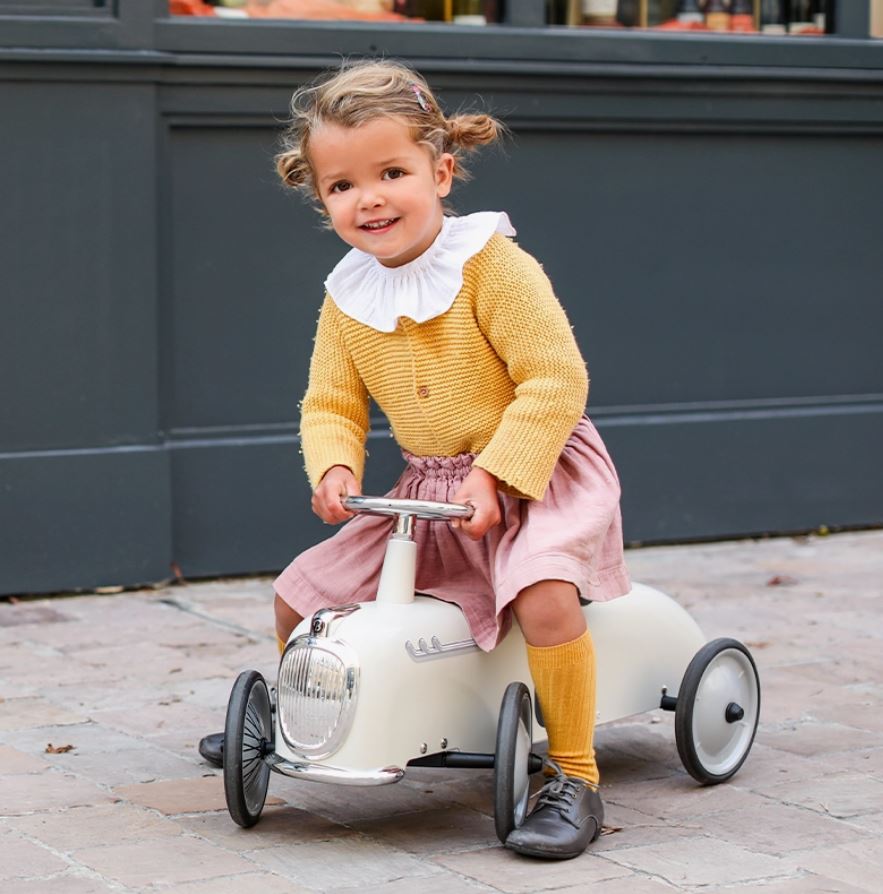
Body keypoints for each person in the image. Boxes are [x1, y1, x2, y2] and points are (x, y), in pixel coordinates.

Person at [199, 58, 631, 860]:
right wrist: (332, 466)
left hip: (532, 466)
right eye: (340, 186)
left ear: (440, 170)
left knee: (541, 595)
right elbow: (331, 400)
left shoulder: (492, 267)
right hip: (425, 487)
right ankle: (306, 713)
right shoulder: (348, 293)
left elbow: (554, 377)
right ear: (319, 195)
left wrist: (498, 470)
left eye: (391, 172)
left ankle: (573, 772)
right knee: (301, 596)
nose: (368, 199)